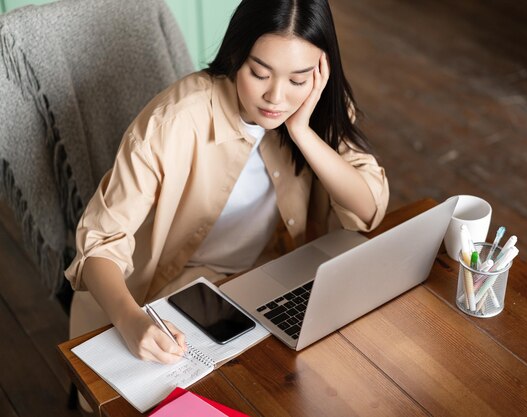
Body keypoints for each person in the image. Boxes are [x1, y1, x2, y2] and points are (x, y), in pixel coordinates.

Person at [65, 0, 389, 364]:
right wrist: (130, 321)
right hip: (165, 294)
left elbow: (369, 211)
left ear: (319, 71)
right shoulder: (172, 122)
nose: (276, 98)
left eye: (297, 79)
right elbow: (99, 246)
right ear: (237, 54)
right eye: (260, 74)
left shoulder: (317, 104)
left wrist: (302, 133)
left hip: (266, 278)